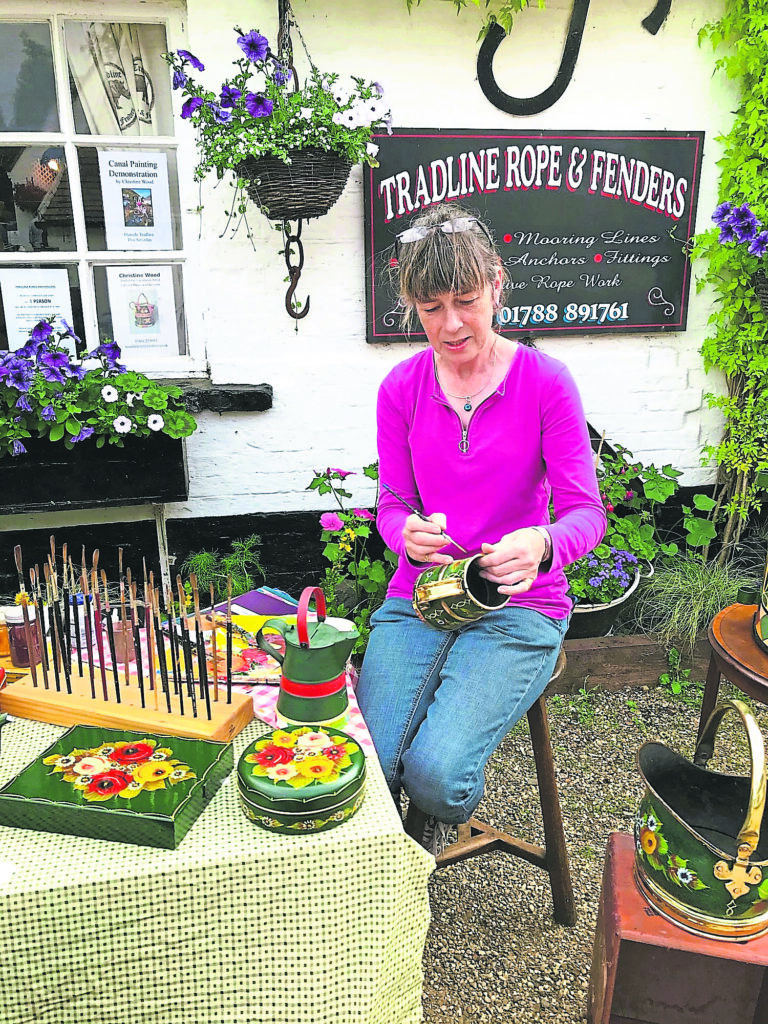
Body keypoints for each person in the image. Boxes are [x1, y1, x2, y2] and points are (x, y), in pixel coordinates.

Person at [356, 201, 607, 856]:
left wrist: (544, 543)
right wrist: (402, 533)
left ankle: (435, 812)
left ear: (496, 282)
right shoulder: (401, 389)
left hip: (519, 606)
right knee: (370, 768)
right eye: (431, 307)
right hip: (421, 598)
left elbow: (588, 513)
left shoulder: (545, 382)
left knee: (436, 777)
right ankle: (401, 842)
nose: (451, 323)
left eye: (465, 300)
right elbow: (391, 502)